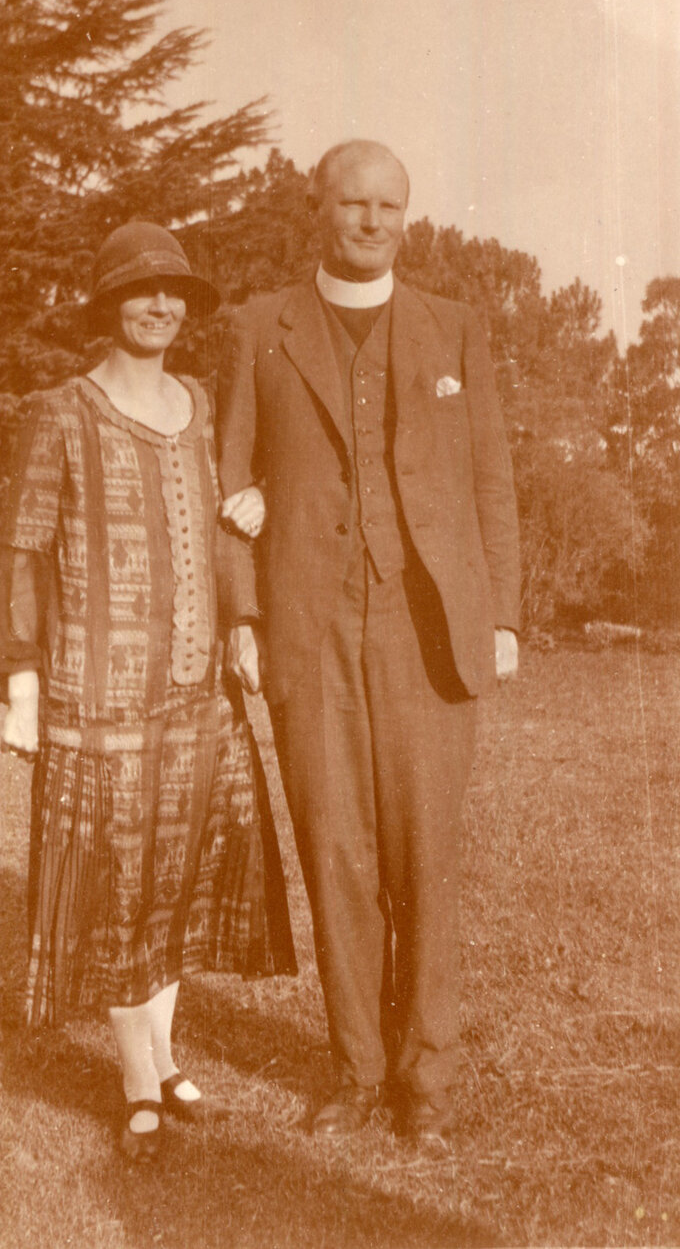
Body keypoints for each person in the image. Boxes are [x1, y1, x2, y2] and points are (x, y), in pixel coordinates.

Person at [0, 221, 295, 1163]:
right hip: (95, 695)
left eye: (175, 292)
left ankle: (168, 1052)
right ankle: (137, 1078)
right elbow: (21, 552)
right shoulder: (62, 411)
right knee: (117, 883)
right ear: (108, 306)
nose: (160, 306)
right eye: (141, 292)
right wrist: (24, 693)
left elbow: (231, 520)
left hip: (196, 696)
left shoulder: (201, 399)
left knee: (179, 878)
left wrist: (246, 598)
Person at [217, 140, 520, 1143]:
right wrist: (243, 618)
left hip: (428, 628)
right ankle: (354, 1075)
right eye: (353, 204)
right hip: (307, 626)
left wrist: (504, 615)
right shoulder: (259, 327)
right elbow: (230, 486)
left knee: (425, 857)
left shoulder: (455, 329)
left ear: (406, 215)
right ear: (321, 208)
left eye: (389, 206)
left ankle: (425, 1089)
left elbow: (489, 482)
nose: (372, 222)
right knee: (336, 853)